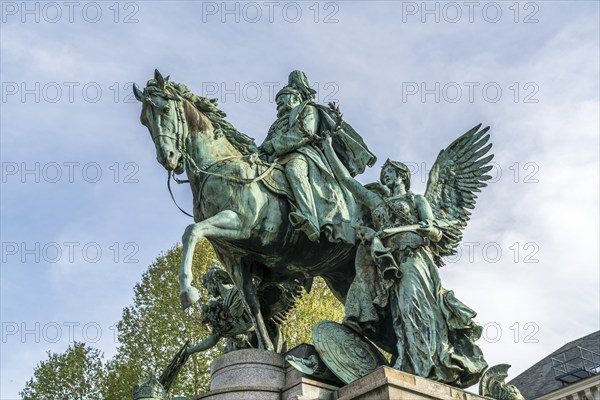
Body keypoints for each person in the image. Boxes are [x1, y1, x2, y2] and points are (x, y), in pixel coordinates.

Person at [321, 135, 488, 388]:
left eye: (391, 171)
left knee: (415, 308)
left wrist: (394, 232)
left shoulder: (417, 201)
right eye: (384, 172)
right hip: (391, 267)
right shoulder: (376, 201)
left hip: (416, 259)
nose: (385, 175)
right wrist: (327, 146)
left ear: (402, 175)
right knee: (399, 315)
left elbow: (434, 232)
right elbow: (345, 180)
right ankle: (408, 364)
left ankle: (431, 365)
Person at [260, 70, 376, 243]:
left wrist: (274, 145)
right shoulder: (275, 124)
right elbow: (265, 145)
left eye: (281, 99)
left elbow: (302, 134)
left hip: (303, 154)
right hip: (274, 159)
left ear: (294, 98)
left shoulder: (307, 110)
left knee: (294, 170)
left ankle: (310, 218)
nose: (278, 105)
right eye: (277, 102)